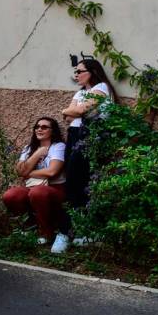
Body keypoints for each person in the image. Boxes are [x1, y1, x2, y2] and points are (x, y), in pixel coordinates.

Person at [55, 58, 117, 253]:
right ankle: (80, 231)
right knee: (77, 182)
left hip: (89, 134)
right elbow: (68, 117)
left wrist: (70, 110)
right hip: (74, 136)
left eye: (80, 71)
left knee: (77, 182)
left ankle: (66, 232)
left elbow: (79, 110)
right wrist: (71, 112)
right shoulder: (81, 92)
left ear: (91, 71)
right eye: (75, 72)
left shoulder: (101, 87)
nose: (76, 75)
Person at [1, 117, 66, 246]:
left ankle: (46, 232)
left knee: (37, 193)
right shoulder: (28, 148)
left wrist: (28, 173)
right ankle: (31, 224)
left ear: (52, 131)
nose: (39, 129)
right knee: (11, 195)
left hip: (56, 188)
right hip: (33, 188)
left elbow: (52, 172)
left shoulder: (58, 146)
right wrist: (37, 154)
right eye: (37, 127)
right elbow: (20, 172)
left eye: (44, 127)